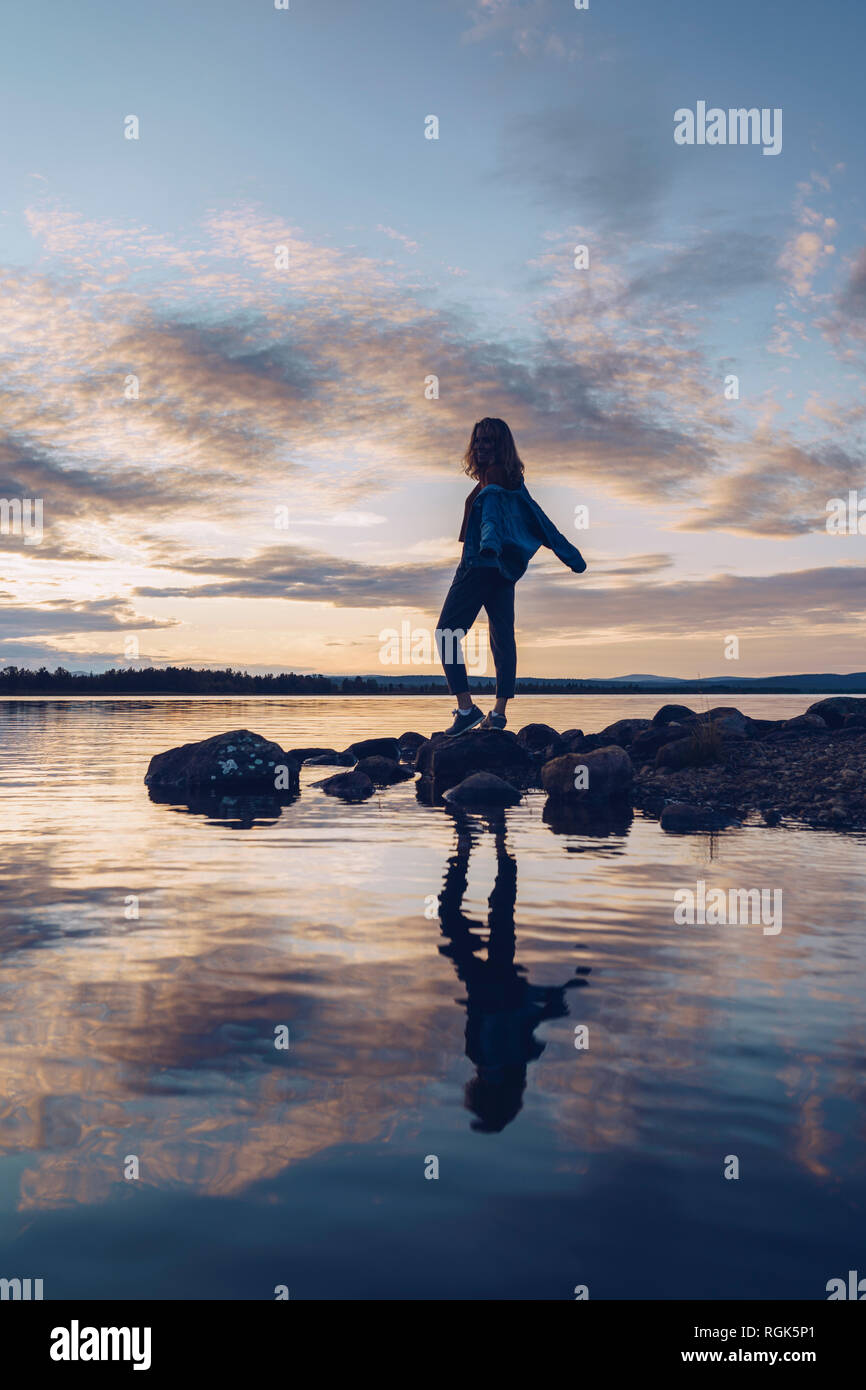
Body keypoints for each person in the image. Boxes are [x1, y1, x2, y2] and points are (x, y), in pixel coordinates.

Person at [436, 417, 587, 735]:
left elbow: (490, 518)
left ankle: (466, 709)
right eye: (477, 440)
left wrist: (489, 545)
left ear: (501, 445)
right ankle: (499, 714)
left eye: (488, 441)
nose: (480, 446)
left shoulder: (492, 479)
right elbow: (538, 518)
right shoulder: (511, 480)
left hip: (480, 565)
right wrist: (567, 552)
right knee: (502, 638)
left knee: (446, 633)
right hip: (504, 572)